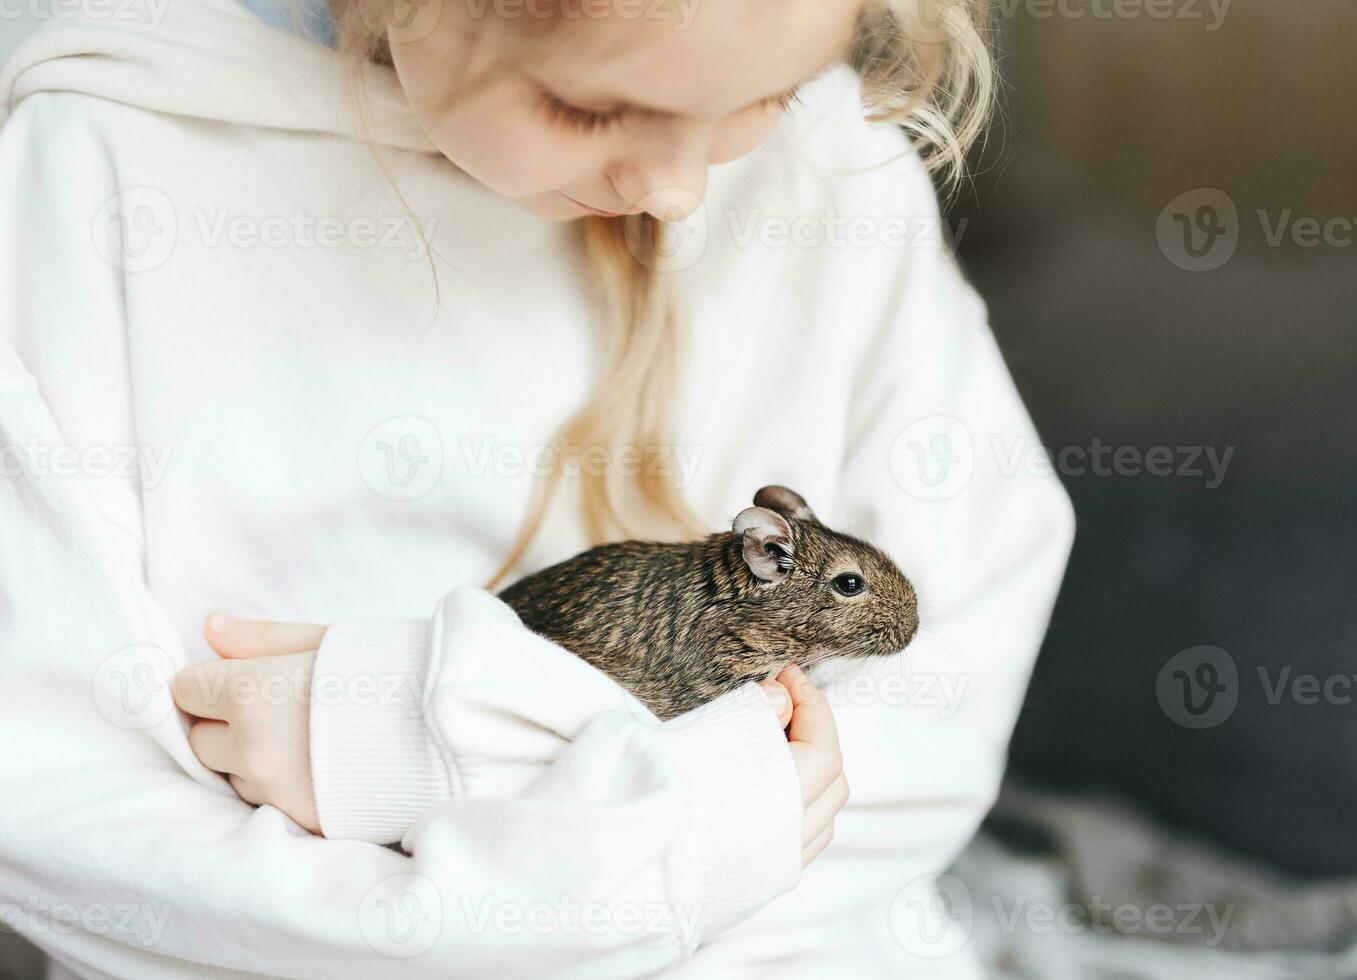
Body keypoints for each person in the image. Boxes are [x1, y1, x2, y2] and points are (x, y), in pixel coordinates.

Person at [0, 0, 1073, 975]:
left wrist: (507, 787)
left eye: (763, 99)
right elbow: (54, 797)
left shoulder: (837, 167)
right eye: (588, 107)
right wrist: (542, 888)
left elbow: (950, 673)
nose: (677, 188)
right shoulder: (104, 165)